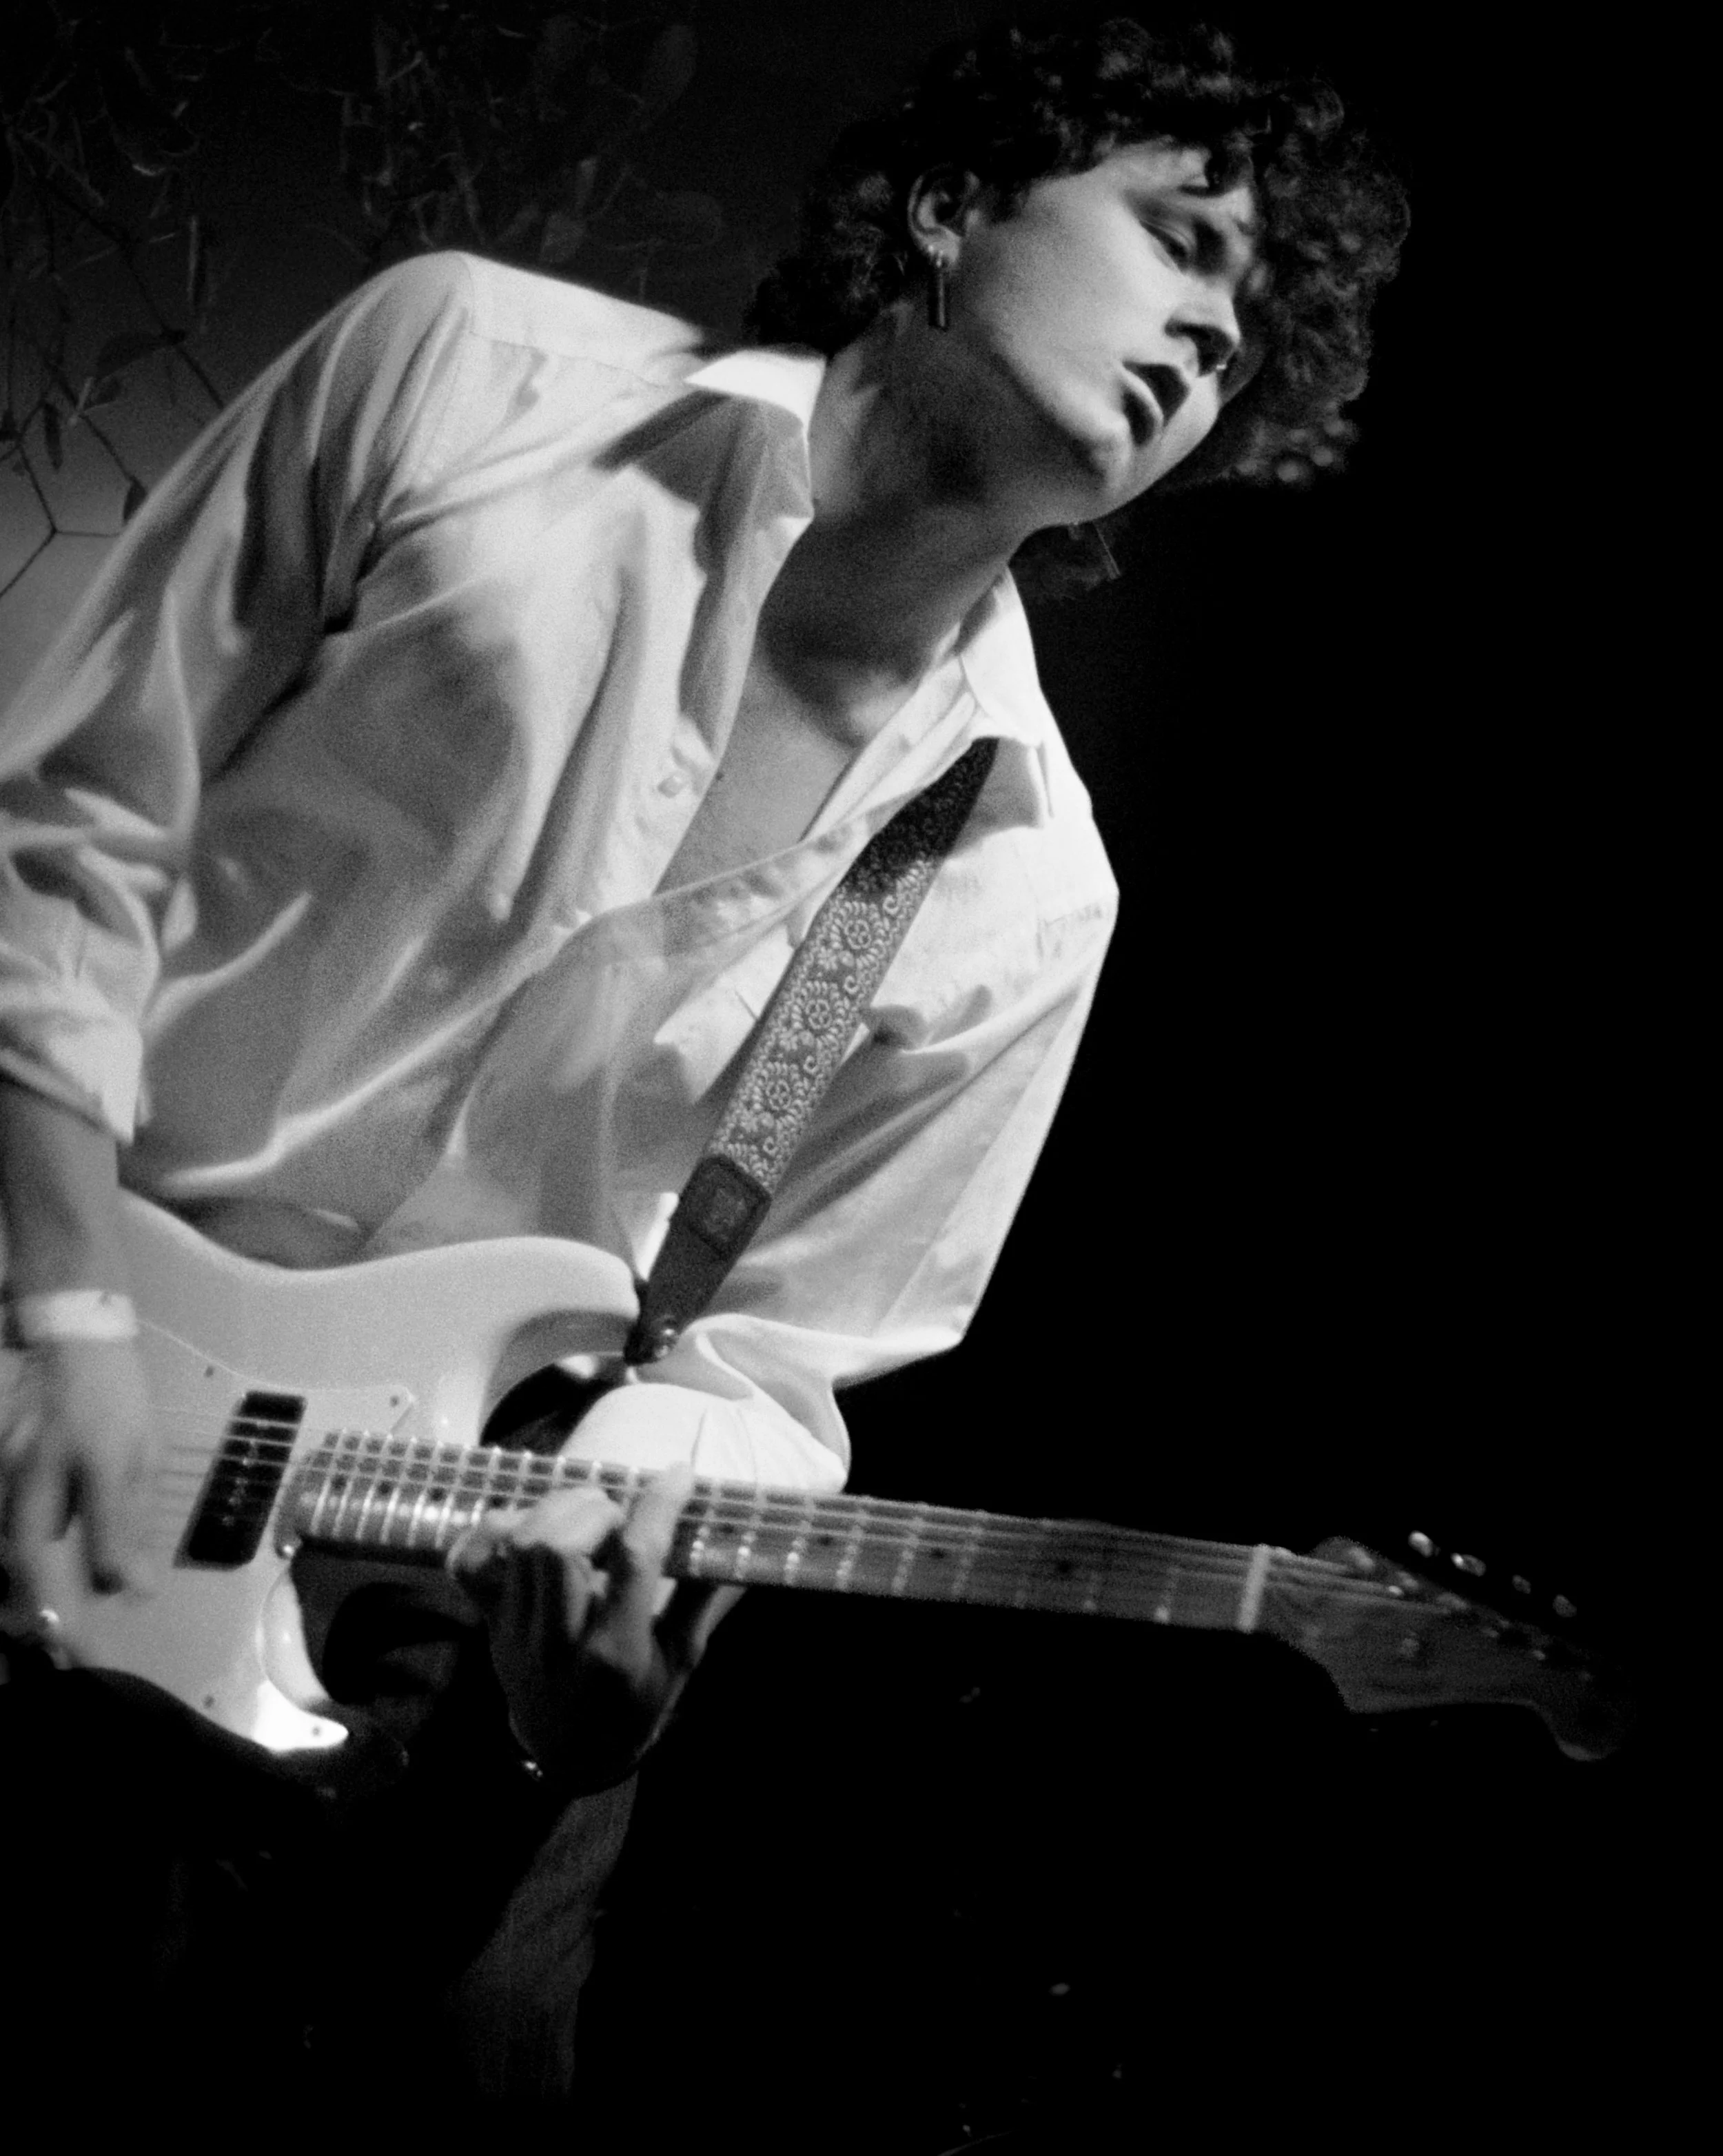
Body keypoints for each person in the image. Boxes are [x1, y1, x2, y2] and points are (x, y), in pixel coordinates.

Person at [0, 15, 1404, 2124]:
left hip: (335, 1641)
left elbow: (763, 1366)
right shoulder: (465, 369)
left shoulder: (1026, 890)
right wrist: (75, 1301)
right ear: (952, 204)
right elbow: (69, 825)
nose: (1209, 340)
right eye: (1184, 240)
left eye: (1247, 344)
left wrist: (616, 1654)